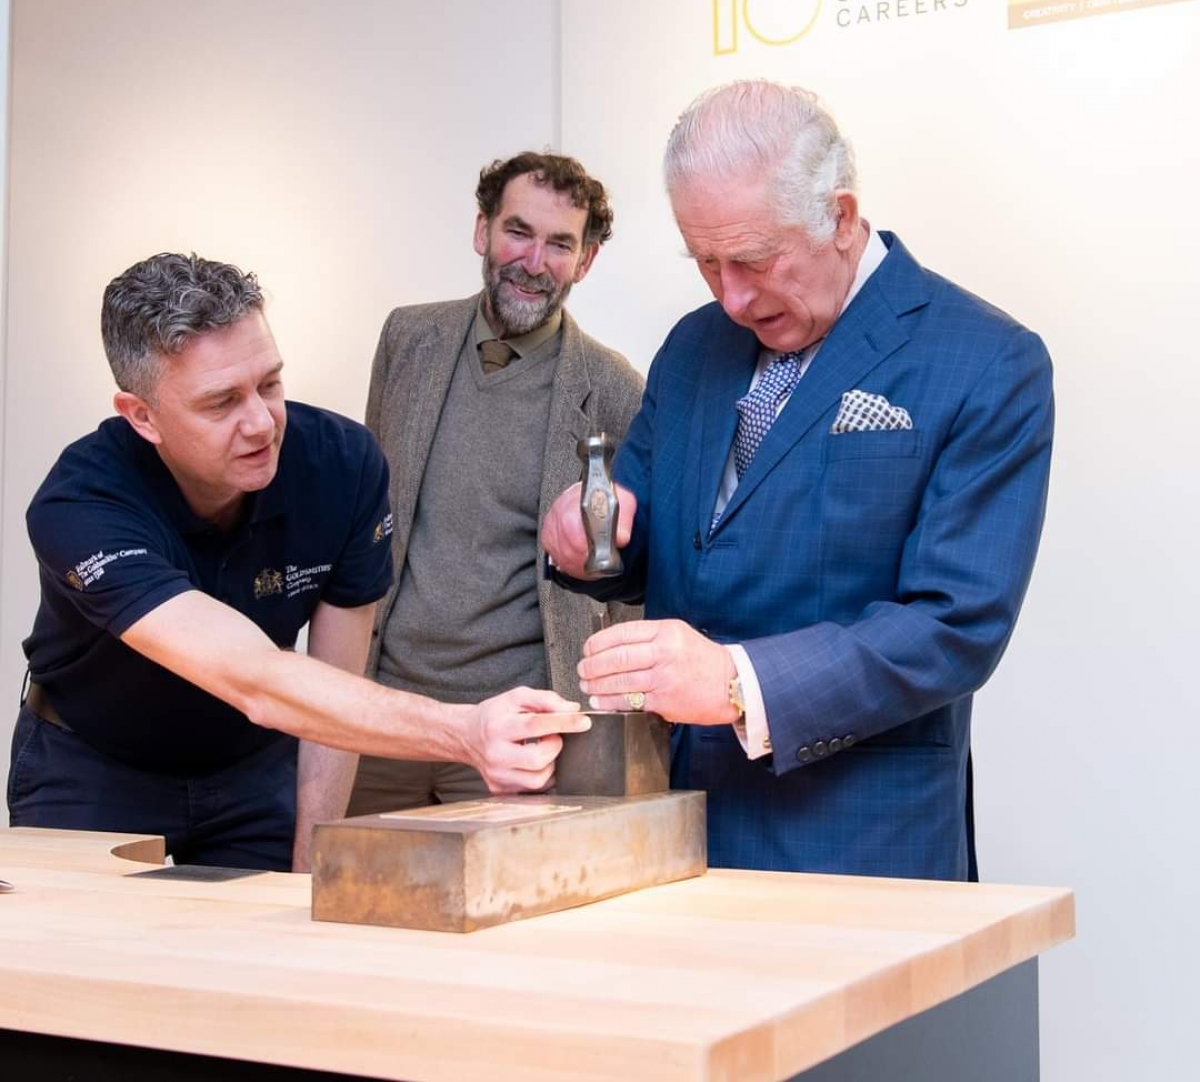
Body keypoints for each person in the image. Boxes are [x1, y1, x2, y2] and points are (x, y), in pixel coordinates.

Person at [542, 81, 1054, 881]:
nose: (732, 297)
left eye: (752, 259)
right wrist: (590, 535)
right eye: (707, 262)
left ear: (842, 218)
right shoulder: (694, 347)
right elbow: (647, 535)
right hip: (671, 831)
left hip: (857, 843)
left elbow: (956, 626)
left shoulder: (985, 360)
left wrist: (738, 684)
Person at [10, 253, 590, 872]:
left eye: (269, 384)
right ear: (142, 416)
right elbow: (253, 675)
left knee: (271, 953)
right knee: (83, 962)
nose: (261, 423)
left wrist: (313, 862)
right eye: (220, 403)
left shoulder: (341, 466)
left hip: (250, 767)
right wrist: (466, 732)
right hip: (94, 765)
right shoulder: (81, 503)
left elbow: (337, 680)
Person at [347, 152, 643, 816]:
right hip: (386, 713)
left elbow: (632, 578)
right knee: (356, 912)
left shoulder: (615, 389)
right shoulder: (408, 339)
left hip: (521, 732)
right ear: (482, 231)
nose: (533, 261)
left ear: (585, 261)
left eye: (559, 243)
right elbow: (369, 517)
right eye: (518, 231)